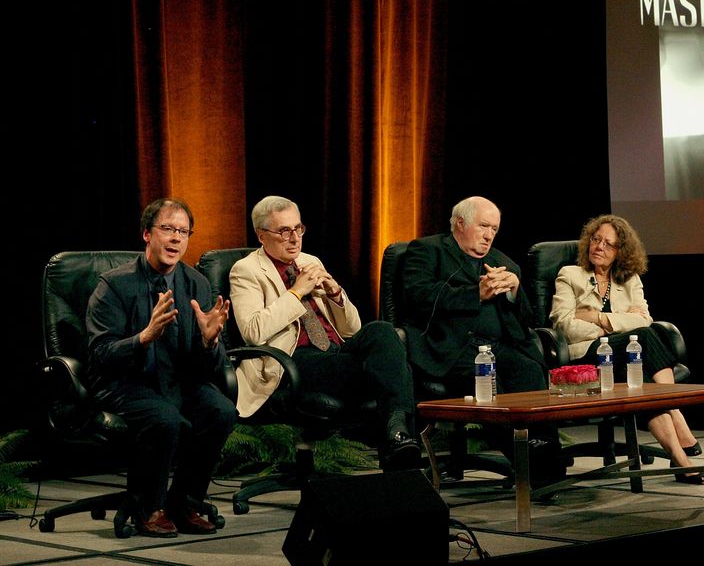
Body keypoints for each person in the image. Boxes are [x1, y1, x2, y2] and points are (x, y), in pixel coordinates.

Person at [229, 196, 419, 471]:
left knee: (382, 331)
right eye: (284, 231)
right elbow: (253, 332)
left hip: (334, 352)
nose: (294, 238)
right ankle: (400, 455)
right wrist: (296, 292)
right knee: (395, 369)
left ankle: (397, 432)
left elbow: (352, 329)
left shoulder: (309, 261)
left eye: (298, 228)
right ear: (262, 235)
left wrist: (335, 293)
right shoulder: (246, 271)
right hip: (291, 361)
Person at [87, 198, 236, 537]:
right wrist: (143, 337)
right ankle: (149, 507)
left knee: (221, 410)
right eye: (167, 229)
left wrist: (210, 342)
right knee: (165, 418)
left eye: (183, 232)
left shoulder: (195, 283)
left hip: (176, 380)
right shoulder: (113, 285)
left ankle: (184, 501)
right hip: (126, 383)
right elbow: (99, 356)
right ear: (146, 234)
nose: (176, 239)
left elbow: (208, 364)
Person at [402, 196, 562, 479]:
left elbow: (527, 321)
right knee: (489, 384)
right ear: (460, 223)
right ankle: (531, 466)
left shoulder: (503, 263)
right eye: (484, 226)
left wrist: (514, 290)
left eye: (494, 229)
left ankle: (546, 449)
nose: (489, 236)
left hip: (499, 346)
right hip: (451, 347)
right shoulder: (427, 250)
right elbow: (418, 297)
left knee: (529, 370)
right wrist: (476, 293)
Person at [549, 214, 704, 483]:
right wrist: (617, 326)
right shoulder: (570, 275)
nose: (599, 247)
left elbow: (645, 319)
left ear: (621, 252)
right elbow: (563, 326)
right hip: (587, 356)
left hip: (623, 358)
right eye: (596, 240)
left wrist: (599, 319)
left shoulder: (629, 279)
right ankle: (676, 414)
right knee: (643, 338)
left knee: (641, 375)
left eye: (608, 244)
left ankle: (681, 460)